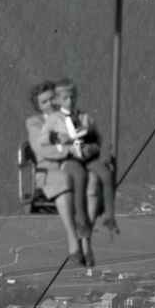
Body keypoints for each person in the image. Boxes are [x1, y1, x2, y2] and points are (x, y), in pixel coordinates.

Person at [24, 80, 88, 261]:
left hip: (71, 165)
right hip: (48, 171)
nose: (49, 104)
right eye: (43, 102)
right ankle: (72, 237)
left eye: (51, 99)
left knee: (83, 176)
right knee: (64, 180)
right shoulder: (35, 122)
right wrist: (69, 150)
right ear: (38, 106)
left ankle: (83, 223)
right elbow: (41, 150)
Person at [52, 78, 119, 245]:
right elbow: (50, 142)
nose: (70, 101)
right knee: (80, 177)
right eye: (66, 98)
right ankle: (82, 221)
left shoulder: (84, 118)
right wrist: (64, 143)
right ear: (58, 100)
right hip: (70, 158)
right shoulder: (55, 120)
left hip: (86, 156)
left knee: (105, 173)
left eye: (72, 97)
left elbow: (96, 140)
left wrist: (91, 147)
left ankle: (109, 216)